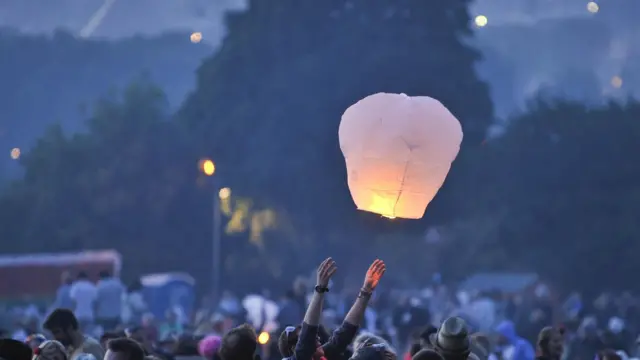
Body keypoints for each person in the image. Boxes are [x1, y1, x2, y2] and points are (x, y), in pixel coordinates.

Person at [279, 258, 386, 360]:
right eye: (302, 337)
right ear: (294, 349)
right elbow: (308, 332)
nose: (317, 337)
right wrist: (320, 289)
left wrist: (366, 291)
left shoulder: (319, 356)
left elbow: (345, 333)